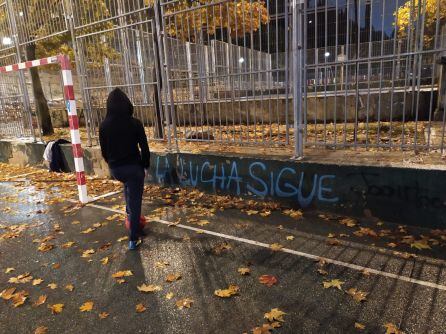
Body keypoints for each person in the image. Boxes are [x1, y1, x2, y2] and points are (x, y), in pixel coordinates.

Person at [99, 88, 150, 250]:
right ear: (127, 104)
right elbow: (145, 148)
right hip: (134, 169)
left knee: (128, 190)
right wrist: (145, 166)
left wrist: (112, 164)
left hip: (116, 169)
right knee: (135, 203)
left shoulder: (104, 125)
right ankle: (133, 239)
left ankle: (130, 219)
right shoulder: (135, 123)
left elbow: (104, 151)